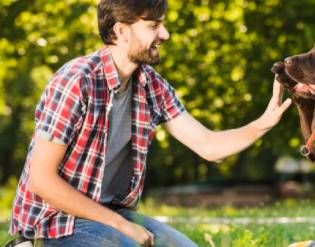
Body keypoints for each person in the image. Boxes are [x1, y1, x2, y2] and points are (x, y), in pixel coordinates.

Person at [8, 0, 292, 246]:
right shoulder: (77, 81)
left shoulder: (150, 85)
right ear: (121, 31)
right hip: (55, 222)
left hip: (108, 213)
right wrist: (122, 226)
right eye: (153, 26)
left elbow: (209, 146)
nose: (165, 34)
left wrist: (262, 123)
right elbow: (42, 179)